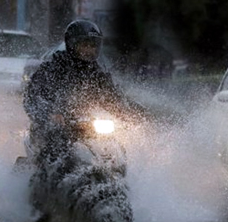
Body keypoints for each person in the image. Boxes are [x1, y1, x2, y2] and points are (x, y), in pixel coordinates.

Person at [23, 19, 140, 164]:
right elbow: (32, 97)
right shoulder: (52, 68)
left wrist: (133, 115)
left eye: (93, 45)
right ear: (72, 44)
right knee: (55, 151)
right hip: (52, 126)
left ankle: (116, 173)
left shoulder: (97, 73)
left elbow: (113, 97)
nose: (89, 50)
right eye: (85, 45)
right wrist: (49, 114)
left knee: (113, 147)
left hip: (85, 126)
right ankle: (47, 176)